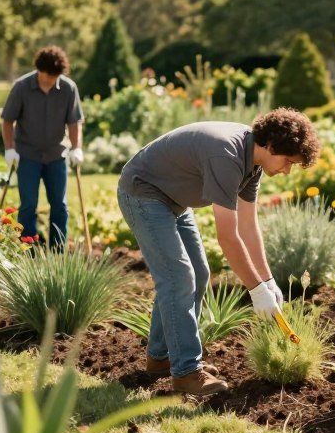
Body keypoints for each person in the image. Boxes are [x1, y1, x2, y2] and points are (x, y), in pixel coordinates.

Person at [117, 109, 321, 396]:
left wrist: (267, 281)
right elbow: (228, 237)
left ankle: (160, 358)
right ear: (272, 146)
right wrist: (255, 289)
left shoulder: (253, 163)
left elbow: (249, 228)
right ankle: (186, 373)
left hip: (173, 200)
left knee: (199, 274)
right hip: (144, 192)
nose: (287, 170)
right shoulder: (227, 156)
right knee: (178, 277)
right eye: (288, 161)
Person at [1, 46, 84, 250]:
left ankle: (57, 250)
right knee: (28, 205)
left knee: (60, 205)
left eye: (54, 77)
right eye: (47, 76)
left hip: (56, 155)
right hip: (27, 155)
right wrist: (9, 149)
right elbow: (7, 120)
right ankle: (28, 249)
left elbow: (74, 122)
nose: (49, 81)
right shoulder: (21, 87)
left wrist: (76, 148)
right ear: (39, 70)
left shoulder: (68, 88)